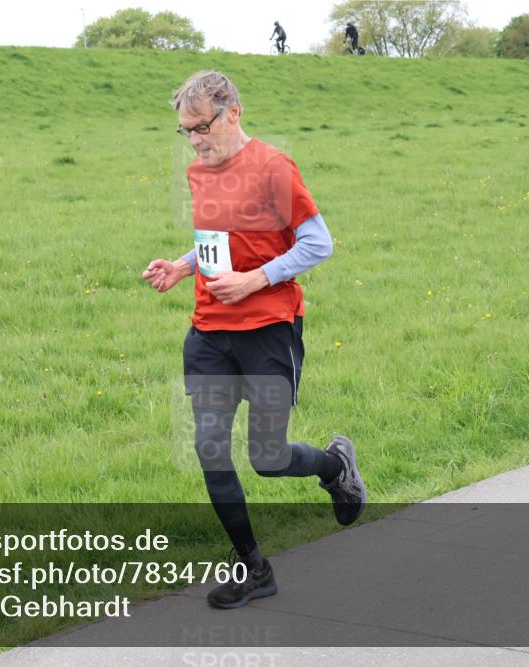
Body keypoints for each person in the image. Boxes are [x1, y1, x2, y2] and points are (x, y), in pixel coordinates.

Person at [142, 70, 367, 610]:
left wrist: (255, 279)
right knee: (209, 447)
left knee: (267, 458)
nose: (195, 140)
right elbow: (222, 243)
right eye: (185, 131)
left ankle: (337, 467)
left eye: (202, 126)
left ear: (233, 112)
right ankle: (254, 569)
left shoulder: (273, 167)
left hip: (267, 329)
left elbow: (318, 243)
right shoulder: (200, 173)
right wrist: (182, 266)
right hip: (209, 332)